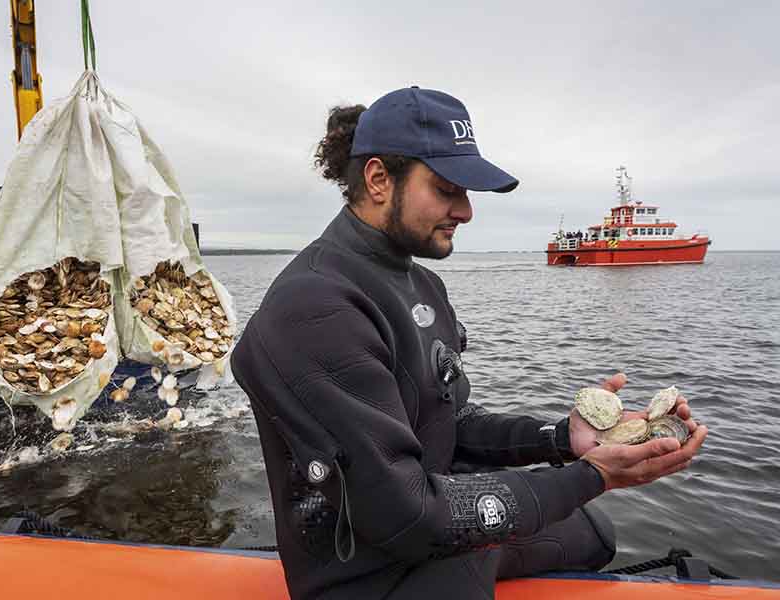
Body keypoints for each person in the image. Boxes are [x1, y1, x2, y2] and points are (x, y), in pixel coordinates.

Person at [231, 87, 707, 600]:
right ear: (377, 180)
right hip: (370, 579)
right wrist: (593, 477)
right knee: (577, 510)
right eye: (447, 189)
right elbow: (404, 513)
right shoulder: (316, 307)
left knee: (595, 533)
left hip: (428, 540)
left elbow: (449, 424)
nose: (466, 211)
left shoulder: (421, 285)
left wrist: (563, 440)